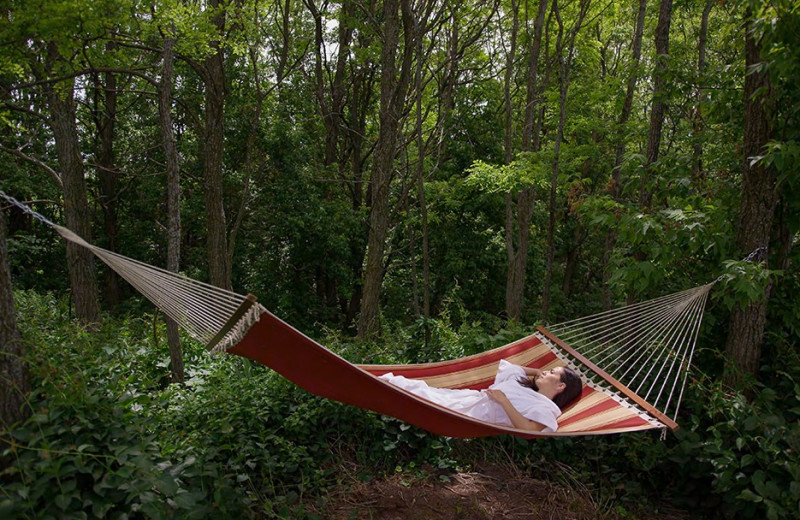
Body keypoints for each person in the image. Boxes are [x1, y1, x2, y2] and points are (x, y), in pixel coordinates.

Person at [380, 360, 582, 432]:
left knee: (418, 394)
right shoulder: (524, 386)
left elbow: (530, 430)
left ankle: (376, 383)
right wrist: (537, 372)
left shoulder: (545, 407)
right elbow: (512, 368)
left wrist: (504, 402)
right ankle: (374, 381)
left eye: (552, 372)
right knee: (417, 388)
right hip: (466, 399)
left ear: (561, 385)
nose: (545, 372)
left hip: (474, 414)